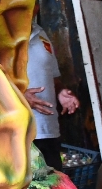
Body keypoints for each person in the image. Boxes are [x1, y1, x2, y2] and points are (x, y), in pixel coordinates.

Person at [23, 18, 80, 170]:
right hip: (20, 134)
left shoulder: (40, 32)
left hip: (49, 131)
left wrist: (61, 92)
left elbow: (53, 77)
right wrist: (20, 96)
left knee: (53, 181)